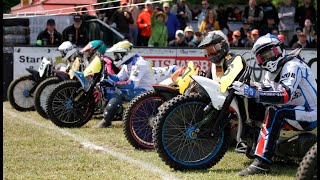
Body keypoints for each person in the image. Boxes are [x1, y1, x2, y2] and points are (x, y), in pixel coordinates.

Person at [232, 33, 317, 176]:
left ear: (280, 49)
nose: (267, 59)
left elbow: (284, 95)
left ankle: (261, 164)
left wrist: (254, 93)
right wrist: (251, 88)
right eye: (262, 57)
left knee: (276, 111)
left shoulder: (292, 65)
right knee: (262, 105)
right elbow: (266, 91)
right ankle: (255, 145)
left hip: (311, 112)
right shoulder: (270, 73)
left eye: (270, 53)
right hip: (296, 109)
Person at [95, 40, 156, 128]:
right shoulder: (128, 63)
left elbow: (131, 84)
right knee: (117, 91)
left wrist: (112, 83)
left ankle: (106, 121)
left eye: (117, 54)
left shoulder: (139, 63)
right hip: (140, 91)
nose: (116, 57)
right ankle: (107, 120)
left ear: (126, 54)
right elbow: (118, 78)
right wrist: (107, 75)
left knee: (119, 92)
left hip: (148, 93)